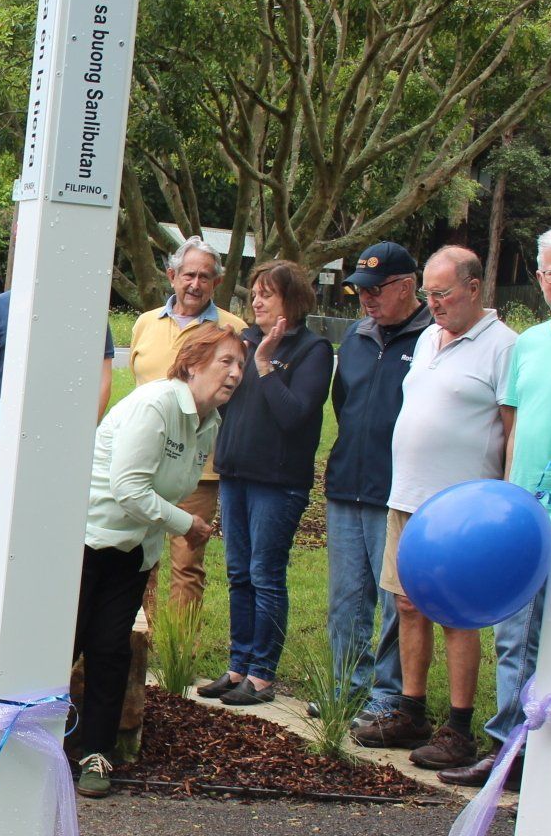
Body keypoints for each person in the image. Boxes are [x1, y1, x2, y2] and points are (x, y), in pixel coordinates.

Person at [353, 248, 516, 770]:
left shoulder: (503, 347)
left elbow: (512, 429)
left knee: (456, 613)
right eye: (427, 294)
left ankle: (460, 728)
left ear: (475, 287)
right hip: (408, 497)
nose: (433, 303)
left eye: (442, 294)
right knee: (406, 605)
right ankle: (411, 711)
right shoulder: (427, 338)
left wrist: (506, 498)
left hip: (463, 509)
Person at [71, 325, 244, 798]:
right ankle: (25, 744)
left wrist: (170, 523)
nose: (234, 373)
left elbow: (165, 489)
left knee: (111, 650)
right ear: (191, 363)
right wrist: (185, 525)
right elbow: (128, 488)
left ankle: (96, 755)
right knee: (63, 647)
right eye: (224, 361)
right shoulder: (157, 404)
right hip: (87, 540)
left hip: (133, 552)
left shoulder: (210, 421)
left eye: (240, 366)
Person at [440, 225, 551, 789]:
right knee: (514, 634)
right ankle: (509, 750)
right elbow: (513, 427)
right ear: (540, 279)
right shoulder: (529, 345)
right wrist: (506, 495)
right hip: (525, 511)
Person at [198, 260, 334, 704]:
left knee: (265, 574)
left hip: (277, 483)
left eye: (266, 293)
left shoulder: (312, 349)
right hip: (235, 474)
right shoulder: (245, 339)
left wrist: (264, 364)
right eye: (254, 293)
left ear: (291, 300)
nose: (255, 300)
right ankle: (237, 667)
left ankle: (262, 675)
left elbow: (296, 415)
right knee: (238, 573)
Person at [324, 242, 430, 717]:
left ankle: (388, 695)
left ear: (407, 286)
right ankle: (346, 686)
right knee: (346, 597)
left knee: (395, 600)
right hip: (348, 482)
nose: (366, 299)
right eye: (360, 290)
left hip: (399, 490)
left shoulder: (431, 339)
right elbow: (341, 401)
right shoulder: (357, 337)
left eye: (376, 290)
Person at [126, 237, 247, 615]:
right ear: (172, 276)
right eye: (189, 275)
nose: (196, 284)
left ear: (216, 283)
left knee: (186, 563)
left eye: (205, 277)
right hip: (144, 461)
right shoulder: (145, 323)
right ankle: (135, 642)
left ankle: (175, 657)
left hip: (198, 467)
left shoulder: (232, 329)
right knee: (137, 559)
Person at [0, 292, 113, 435]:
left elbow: (102, 381)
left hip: (66, 435)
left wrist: (81, 433)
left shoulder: (89, 310)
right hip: (5, 436)